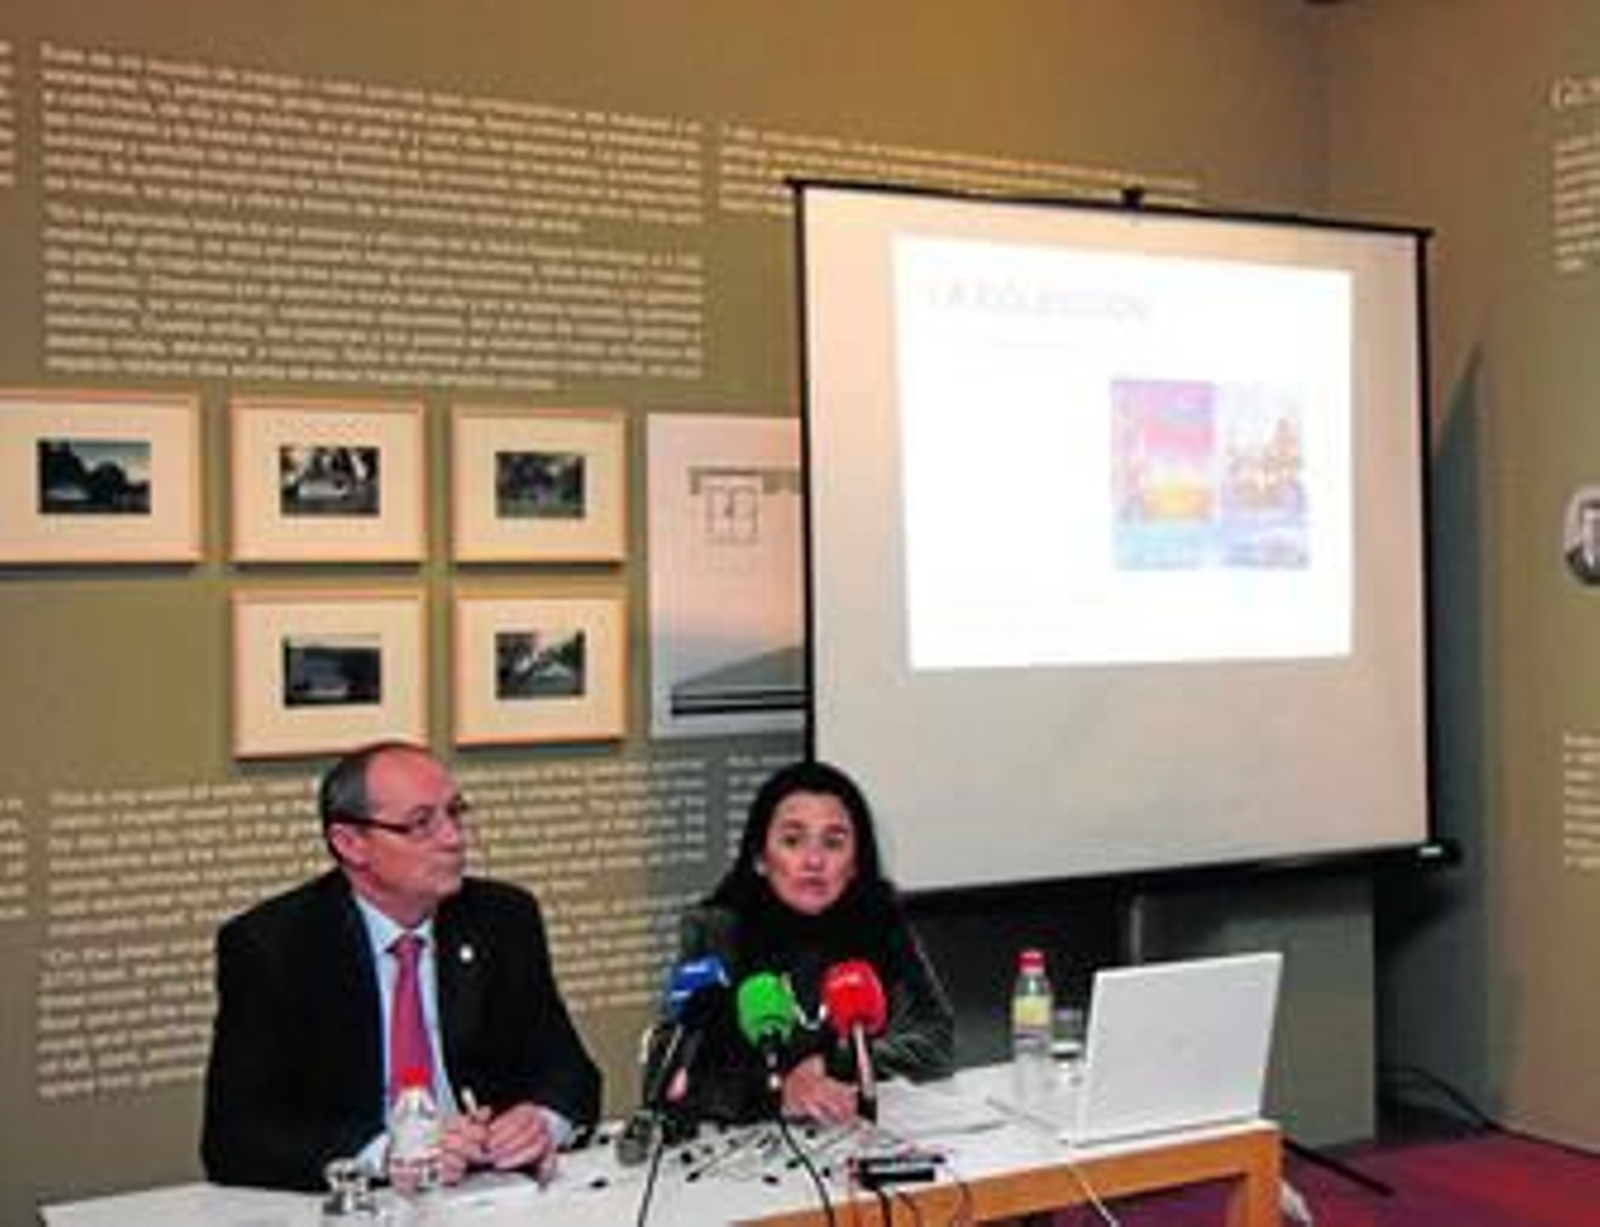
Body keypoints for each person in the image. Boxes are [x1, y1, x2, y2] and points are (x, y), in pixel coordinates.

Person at [201, 741, 600, 1191]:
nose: (453, 838)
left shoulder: (501, 917)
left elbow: (571, 1073)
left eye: (455, 813)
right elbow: (235, 1138)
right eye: (420, 824)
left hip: (491, 1197)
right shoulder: (273, 946)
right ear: (350, 843)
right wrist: (387, 1155)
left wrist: (542, 1121)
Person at [672, 759, 954, 1124]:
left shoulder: (880, 920)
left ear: (854, 863)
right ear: (760, 857)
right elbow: (676, 1077)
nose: (814, 860)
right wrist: (778, 1090)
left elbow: (936, 1040)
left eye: (833, 843)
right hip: (748, 1151)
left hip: (855, 1136)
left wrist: (833, 1063)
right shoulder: (715, 932)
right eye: (793, 841)